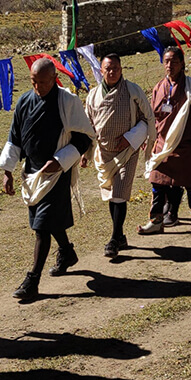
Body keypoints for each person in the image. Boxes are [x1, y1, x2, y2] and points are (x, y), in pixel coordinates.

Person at [0, 58, 94, 300]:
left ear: (53, 79)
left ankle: (32, 280)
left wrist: (61, 160)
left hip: (57, 173)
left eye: (43, 82)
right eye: (34, 81)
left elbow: (85, 138)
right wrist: (7, 171)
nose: (38, 86)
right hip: (32, 173)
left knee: (42, 227)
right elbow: (15, 138)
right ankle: (67, 251)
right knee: (46, 221)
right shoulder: (24, 101)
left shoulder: (67, 102)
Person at [83, 54, 153, 259]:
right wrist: (86, 153)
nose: (112, 72)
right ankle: (120, 235)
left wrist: (132, 138)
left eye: (115, 68)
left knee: (120, 193)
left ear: (121, 69)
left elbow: (146, 118)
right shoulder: (93, 95)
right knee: (112, 195)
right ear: (101, 71)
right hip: (104, 153)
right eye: (108, 69)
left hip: (127, 151)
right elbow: (88, 126)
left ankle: (113, 239)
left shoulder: (132, 91)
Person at [141, 47, 191, 233]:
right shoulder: (158, 87)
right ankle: (157, 220)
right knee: (157, 182)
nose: (169, 65)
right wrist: (148, 140)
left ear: (182, 64)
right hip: (163, 144)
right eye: (166, 61)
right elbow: (152, 117)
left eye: (173, 61)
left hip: (186, 144)